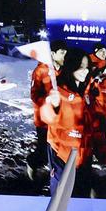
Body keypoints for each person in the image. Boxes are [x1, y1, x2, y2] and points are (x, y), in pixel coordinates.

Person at [40, 47, 94, 197]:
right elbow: (47, 117)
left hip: (83, 156)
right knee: (62, 198)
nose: (85, 71)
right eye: (81, 67)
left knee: (81, 198)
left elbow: (92, 127)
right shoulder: (59, 91)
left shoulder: (87, 92)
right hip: (62, 155)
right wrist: (51, 105)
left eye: (87, 67)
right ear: (71, 65)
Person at [26, 40, 67, 172]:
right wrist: (49, 100)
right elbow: (34, 95)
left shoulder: (64, 70)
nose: (65, 56)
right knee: (43, 150)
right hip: (44, 120)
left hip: (59, 119)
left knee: (57, 149)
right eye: (62, 53)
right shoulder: (41, 70)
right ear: (53, 54)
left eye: (66, 53)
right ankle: (32, 163)